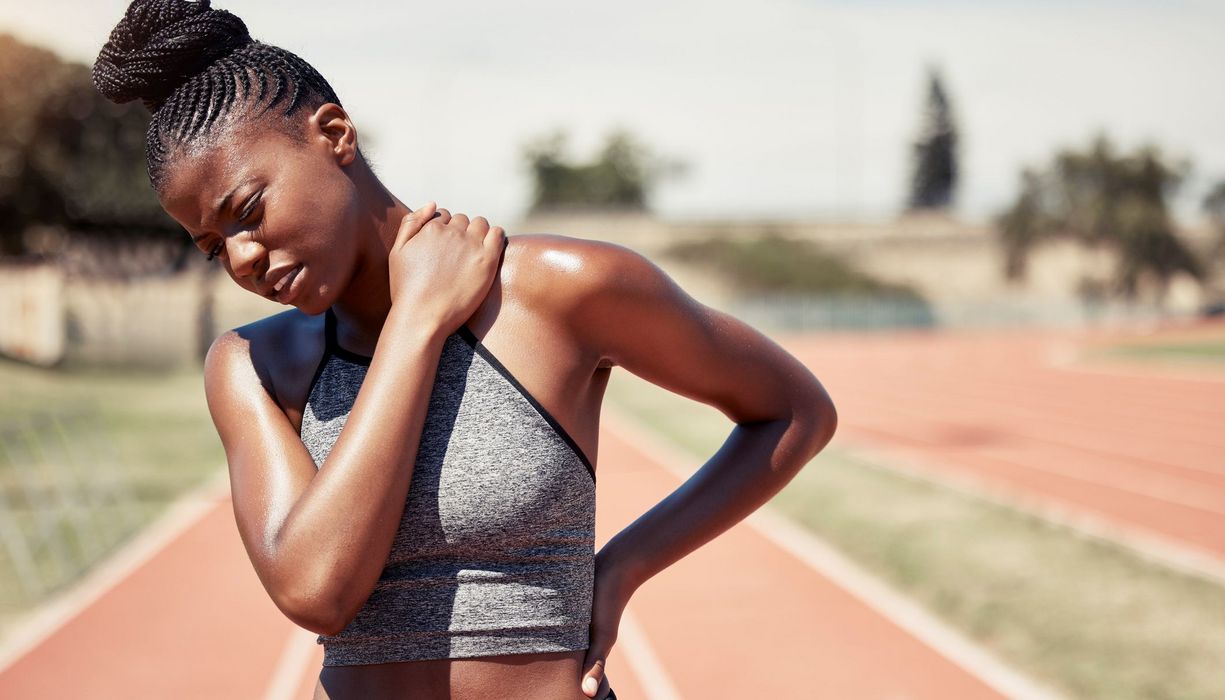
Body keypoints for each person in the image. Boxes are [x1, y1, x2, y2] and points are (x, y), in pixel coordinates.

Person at [92, 1, 838, 698]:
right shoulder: (252, 367)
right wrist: (417, 323)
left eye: (248, 212)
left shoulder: (560, 292)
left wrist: (620, 569)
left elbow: (795, 413)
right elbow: (316, 589)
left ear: (335, 134)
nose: (244, 257)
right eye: (213, 247)